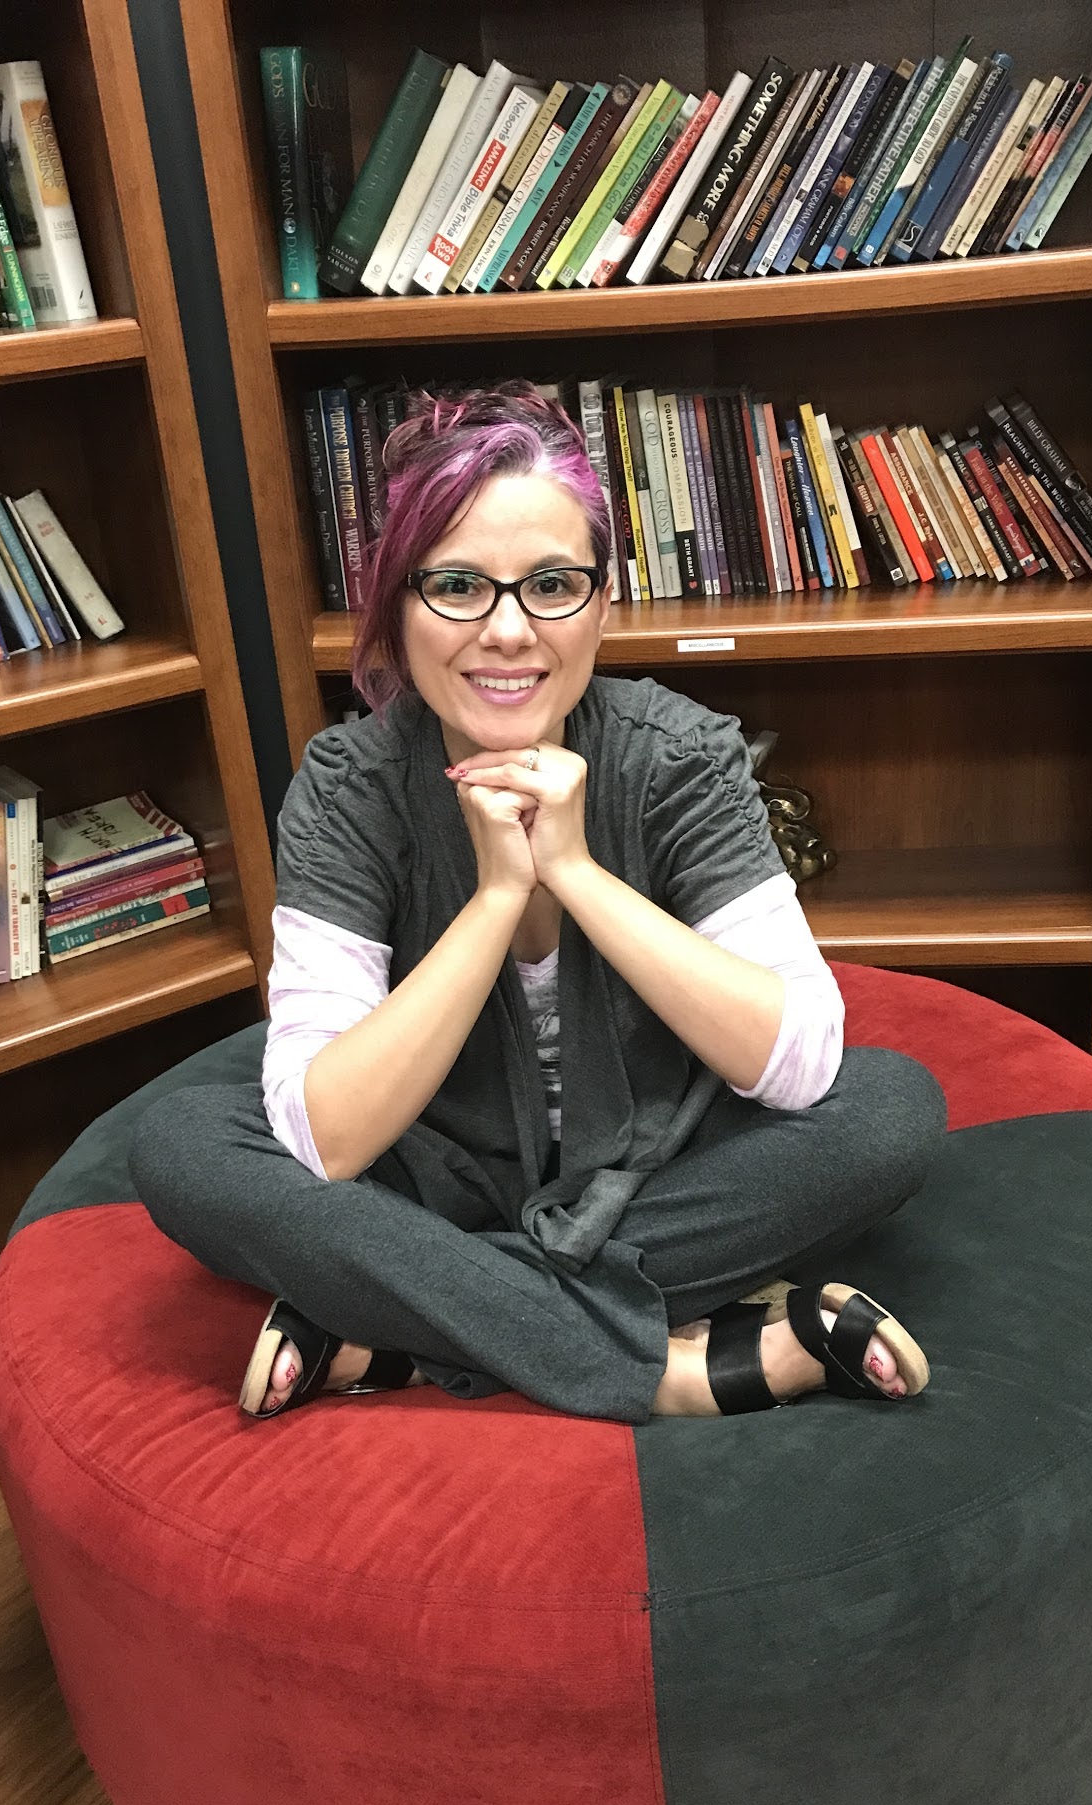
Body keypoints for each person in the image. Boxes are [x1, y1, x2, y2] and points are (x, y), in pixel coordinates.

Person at [130, 383, 946, 1423]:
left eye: (553, 584)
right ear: (397, 607)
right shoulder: (348, 788)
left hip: (661, 1154)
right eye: (456, 585)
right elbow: (329, 1138)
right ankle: (673, 1372)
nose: (509, 630)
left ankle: (409, 1329)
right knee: (185, 1144)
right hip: (434, 1168)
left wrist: (574, 871)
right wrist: (498, 894)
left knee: (890, 1110)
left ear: (603, 605)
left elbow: (798, 1059)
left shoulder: (680, 755)